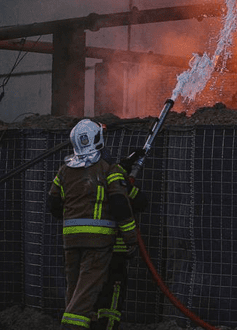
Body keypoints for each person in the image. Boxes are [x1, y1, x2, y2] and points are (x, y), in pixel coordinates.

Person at [48, 119, 139, 330]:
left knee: (75, 290)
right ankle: (69, 327)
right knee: (86, 292)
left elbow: (52, 205)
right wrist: (131, 239)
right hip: (98, 243)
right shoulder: (107, 169)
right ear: (98, 140)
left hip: (70, 241)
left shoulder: (63, 171)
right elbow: (120, 205)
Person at [93, 148, 149, 330]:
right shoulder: (115, 181)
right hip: (114, 251)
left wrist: (124, 167)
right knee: (113, 294)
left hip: (87, 250)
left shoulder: (79, 178)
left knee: (90, 295)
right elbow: (138, 202)